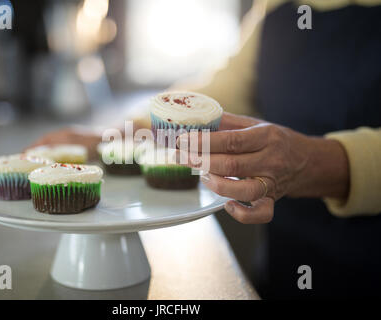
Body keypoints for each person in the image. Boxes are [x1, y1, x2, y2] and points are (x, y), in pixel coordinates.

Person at [29, 0, 381, 298]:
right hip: (289, 257)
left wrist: (317, 163)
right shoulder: (276, 7)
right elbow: (210, 102)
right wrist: (111, 136)